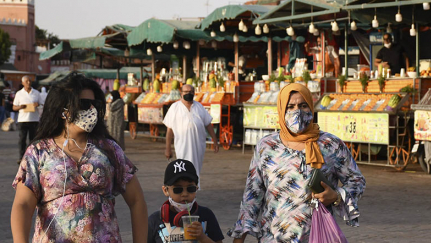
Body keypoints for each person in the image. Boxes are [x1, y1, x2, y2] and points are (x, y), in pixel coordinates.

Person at [10, 71, 148, 243]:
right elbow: (23, 205)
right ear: (63, 109)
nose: (91, 110)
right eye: (83, 104)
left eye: (95, 104)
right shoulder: (38, 152)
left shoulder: (109, 150)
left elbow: (137, 201)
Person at [228, 83, 366, 242]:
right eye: (290, 106)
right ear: (281, 109)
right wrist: (239, 236)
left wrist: (336, 196)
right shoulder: (266, 147)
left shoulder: (330, 144)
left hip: (317, 236)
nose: (297, 112)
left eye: (303, 105)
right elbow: (252, 195)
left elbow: (356, 180)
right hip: (272, 238)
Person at [147, 159, 224, 243]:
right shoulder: (155, 220)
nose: (184, 194)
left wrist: (203, 237)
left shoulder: (206, 215)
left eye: (190, 188)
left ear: (197, 188)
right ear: (165, 190)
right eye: (178, 189)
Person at [163, 84, 219, 181]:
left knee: (196, 170)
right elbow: (169, 130)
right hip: (182, 146)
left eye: (190, 92)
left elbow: (208, 124)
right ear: (181, 94)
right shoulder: (175, 107)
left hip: (198, 146)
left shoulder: (199, 107)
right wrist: (168, 149)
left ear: (194, 93)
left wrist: (215, 141)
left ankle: (194, 191)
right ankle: (188, 192)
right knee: (184, 169)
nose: (188, 94)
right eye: (186, 92)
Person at [13, 76, 44, 163]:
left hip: (34, 120)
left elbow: (42, 105)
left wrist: (37, 105)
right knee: (22, 139)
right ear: (22, 83)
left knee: (33, 140)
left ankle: (32, 156)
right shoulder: (19, 93)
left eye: (30, 81)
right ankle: (21, 156)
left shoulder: (36, 93)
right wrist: (20, 107)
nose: (28, 83)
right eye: (26, 81)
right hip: (22, 120)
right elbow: (14, 107)